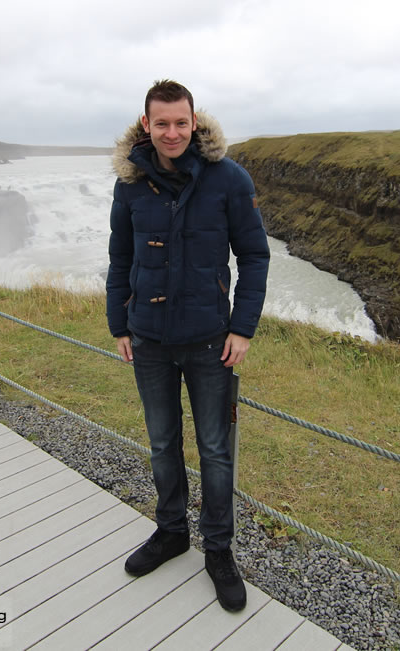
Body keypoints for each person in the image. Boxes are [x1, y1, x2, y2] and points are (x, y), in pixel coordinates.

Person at [106, 79, 270, 611]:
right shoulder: (129, 184)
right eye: (162, 123)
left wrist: (242, 328)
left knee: (216, 451)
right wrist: (119, 325)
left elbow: (255, 256)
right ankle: (172, 532)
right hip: (149, 341)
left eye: (181, 122)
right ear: (146, 124)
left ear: (194, 122)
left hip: (209, 344)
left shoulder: (229, 179)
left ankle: (218, 550)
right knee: (160, 443)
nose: (171, 132)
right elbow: (121, 260)